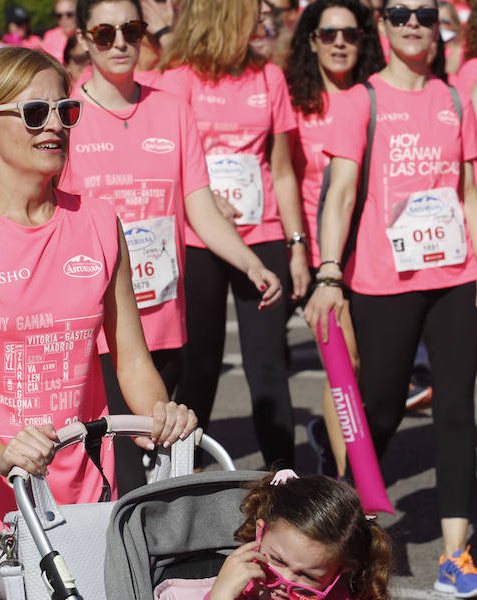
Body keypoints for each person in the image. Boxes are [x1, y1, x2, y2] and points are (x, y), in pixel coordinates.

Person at [0, 47, 199, 600]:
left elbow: (130, 358)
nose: (55, 124)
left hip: (81, 501)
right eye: (35, 114)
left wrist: (161, 415)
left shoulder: (99, 223)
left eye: (65, 110)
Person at [59, 0, 282, 495]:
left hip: (162, 322)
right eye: (104, 32)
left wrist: (250, 262)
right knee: (125, 481)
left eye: (132, 30)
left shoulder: (171, 108)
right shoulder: (66, 116)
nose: (120, 42)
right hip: (99, 333)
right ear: (82, 39)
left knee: (157, 480)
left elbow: (199, 205)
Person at [305, 0, 477, 595]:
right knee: (378, 415)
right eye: (399, 12)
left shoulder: (455, 100)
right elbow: (341, 191)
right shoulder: (362, 100)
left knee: (456, 413)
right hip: (382, 282)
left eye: (424, 13)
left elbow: (469, 191)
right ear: (382, 26)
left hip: (455, 277)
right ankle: (348, 531)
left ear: (438, 27)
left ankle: (456, 555)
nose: (412, 23)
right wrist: (329, 274)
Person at [156, 0, 310, 470]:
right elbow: (164, 165)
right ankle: (182, 477)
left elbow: (283, 172)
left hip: (261, 235)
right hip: (199, 240)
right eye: (254, 11)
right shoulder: (178, 80)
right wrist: (200, 195)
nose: (263, 18)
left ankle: (284, 481)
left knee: (268, 366)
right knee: (201, 365)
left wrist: (297, 246)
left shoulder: (270, 78)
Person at [284, 0, 384, 477]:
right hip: (324, 256)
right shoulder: (296, 100)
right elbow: (280, 176)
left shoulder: (375, 97)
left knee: (370, 371)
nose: (339, 42)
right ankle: (350, 486)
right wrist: (300, 247)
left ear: (363, 40)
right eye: (328, 34)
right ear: (311, 40)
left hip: (374, 255)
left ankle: (332, 442)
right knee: (346, 364)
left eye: (350, 33)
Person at [202, 472, 392, 600]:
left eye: (307, 576)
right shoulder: (232, 589)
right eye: (277, 560)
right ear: (260, 532)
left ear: (339, 572)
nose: (285, 581)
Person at [440, 1, 463, 75]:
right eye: (436, 22)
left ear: (455, 21)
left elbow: (450, 70)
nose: (440, 26)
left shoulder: (463, 45)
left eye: (444, 21)